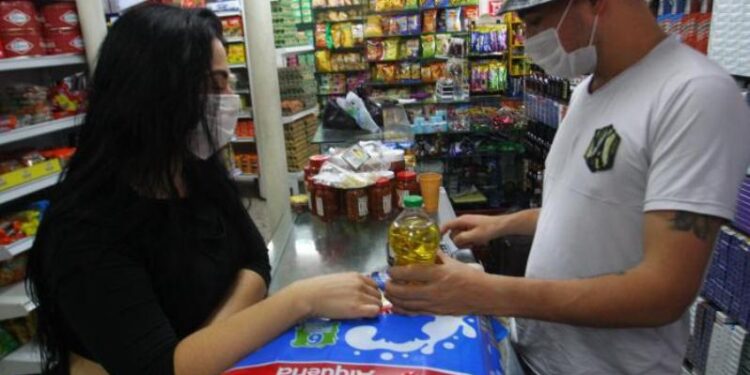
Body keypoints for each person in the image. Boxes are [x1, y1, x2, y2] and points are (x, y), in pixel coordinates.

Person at [385, 0, 750, 373]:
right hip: (535, 355)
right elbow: (593, 205)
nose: (528, 39)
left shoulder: (694, 95)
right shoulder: (586, 92)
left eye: (535, 21)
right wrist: (503, 225)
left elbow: (665, 292)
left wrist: (486, 291)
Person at [26, 4, 381, 375]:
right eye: (213, 86)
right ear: (152, 91)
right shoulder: (84, 228)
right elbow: (160, 368)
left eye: (227, 82)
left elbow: (255, 258)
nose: (229, 99)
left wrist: (210, 344)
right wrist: (300, 300)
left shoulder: (195, 174)